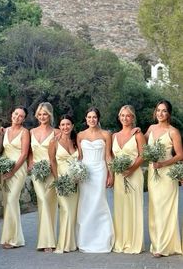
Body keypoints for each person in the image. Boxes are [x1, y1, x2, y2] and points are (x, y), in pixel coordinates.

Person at [145, 100, 183, 257]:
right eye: (158, 110)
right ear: (155, 112)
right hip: (153, 174)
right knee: (154, 208)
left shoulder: (173, 132)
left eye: (164, 111)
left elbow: (180, 155)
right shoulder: (151, 128)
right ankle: (156, 243)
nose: (160, 113)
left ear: (169, 113)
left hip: (167, 174)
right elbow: (140, 144)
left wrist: (163, 164)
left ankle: (163, 246)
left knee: (165, 209)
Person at [76, 107, 114, 253]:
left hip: (100, 170)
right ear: (85, 119)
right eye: (89, 117)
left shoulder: (106, 134)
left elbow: (108, 156)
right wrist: (76, 172)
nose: (92, 120)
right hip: (85, 172)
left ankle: (102, 239)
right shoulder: (80, 135)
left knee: (99, 203)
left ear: (98, 119)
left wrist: (111, 174)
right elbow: (79, 156)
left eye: (94, 117)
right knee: (85, 204)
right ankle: (85, 239)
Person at [112, 105, 145, 254]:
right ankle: (121, 241)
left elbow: (143, 155)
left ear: (133, 118)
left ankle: (134, 242)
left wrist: (131, 169)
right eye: (122, 115)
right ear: (119, 117)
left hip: (134, 175)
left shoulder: (137, 134)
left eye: (128, 115)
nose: (125, 118)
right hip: (119, 176)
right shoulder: (114, 136)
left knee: (134, 206)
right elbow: (112, 158)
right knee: (120, 208)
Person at [28, 102, 59, 252]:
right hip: (36, 173)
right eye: (40, 114)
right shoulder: (31, 132)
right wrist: (30, 164)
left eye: (45, 114)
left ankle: (46, 239)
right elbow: (29, 153)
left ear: (50, 115)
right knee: (43, 201)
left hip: (51, 172)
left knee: (49, 204)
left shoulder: (57, 132)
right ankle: (47, 242)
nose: (42, 117)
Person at [0, 106, 30, 249]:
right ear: (11, 114)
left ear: (24, 119)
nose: (17, 117)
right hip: (5, 169)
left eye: (21, 116)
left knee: (12, 200)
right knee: (8, 202)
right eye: (16, 114)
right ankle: (11, 237)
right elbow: (1, 150)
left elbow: (24, 154)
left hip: (18, 170)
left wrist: (12, 171)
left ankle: (13, 239)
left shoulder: (25, 133)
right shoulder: (5, 131)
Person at [48, 114, 78, 253]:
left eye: (68, 124)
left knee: (73, 211)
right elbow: (52, 161)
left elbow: (81, 159)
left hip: (75, 182)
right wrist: (57, 179)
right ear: (59, 127)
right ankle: (63, 243)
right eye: (63, 125)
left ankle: (72, 242)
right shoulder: (53, 142)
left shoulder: (76, 140)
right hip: (62, 180)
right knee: (65, 209)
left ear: (72, 126)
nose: (65, 127)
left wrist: (79, 175)